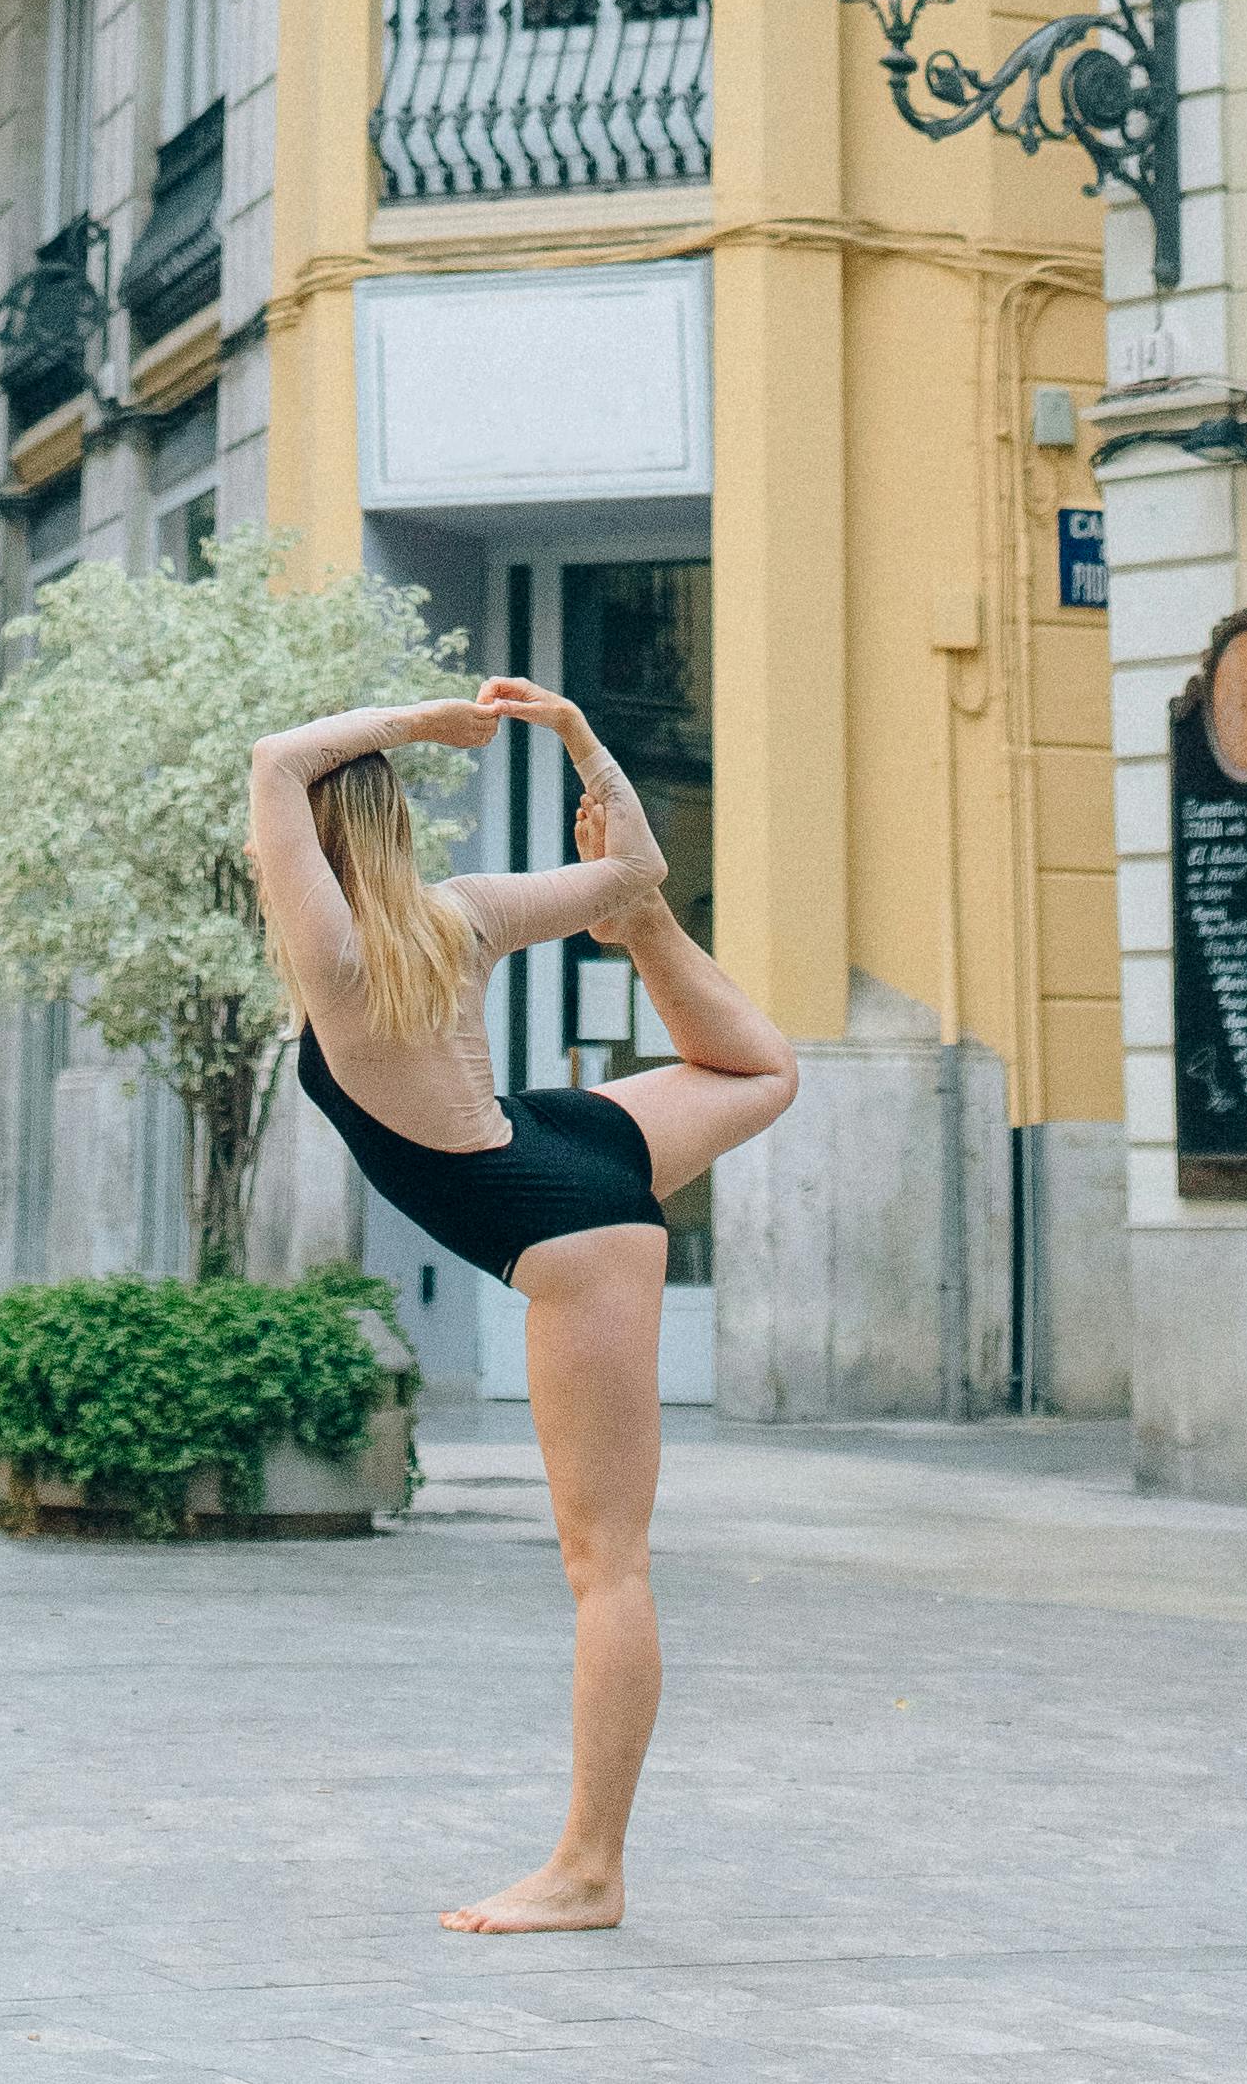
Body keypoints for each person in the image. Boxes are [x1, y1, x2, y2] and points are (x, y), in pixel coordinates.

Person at [247, 668, 794, 1936]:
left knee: (607, 1563)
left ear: (311, 849)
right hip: (553, 1143)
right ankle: (646, 957)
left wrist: (423, 723)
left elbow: (278, 758)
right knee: (760, 1070)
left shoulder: (335, 957)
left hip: (561, 1221)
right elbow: (633, 865)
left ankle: (590, 1869)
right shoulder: (460, 913)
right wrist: (578, 737)